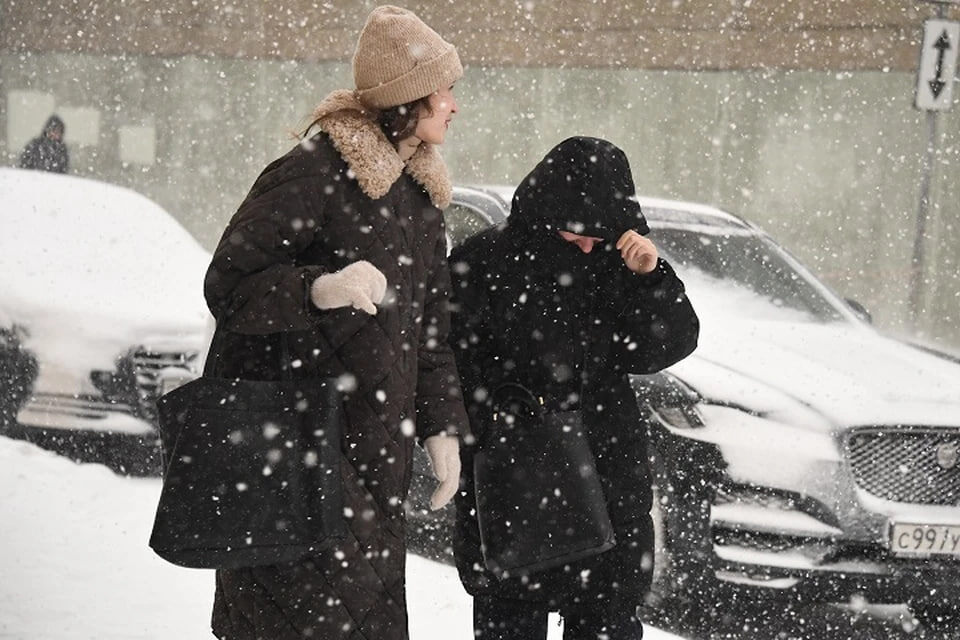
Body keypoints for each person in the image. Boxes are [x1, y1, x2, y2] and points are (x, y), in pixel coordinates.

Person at [202, 6, 466, 639]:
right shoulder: (313, 172)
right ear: (406, 98)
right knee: (290, 618)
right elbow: (229, 284)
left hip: (377, 455)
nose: (455, 105)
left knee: (361, 617)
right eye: (443, 91)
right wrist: (318, 289)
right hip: (295, 450)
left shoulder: (419, 200)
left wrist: (441, 427)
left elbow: (431, 332)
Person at [449, 137, 700, 639]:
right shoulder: (483, 262)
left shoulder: (619, 264)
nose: (587, 245)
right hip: (512, 481)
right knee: (509, 619)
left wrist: (651, 278)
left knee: (607, 616)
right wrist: (493, 430)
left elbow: (664, 347)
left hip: (606, 477)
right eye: (575, 233)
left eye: (599, 234)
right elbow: (450, 364)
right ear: (545, 212)